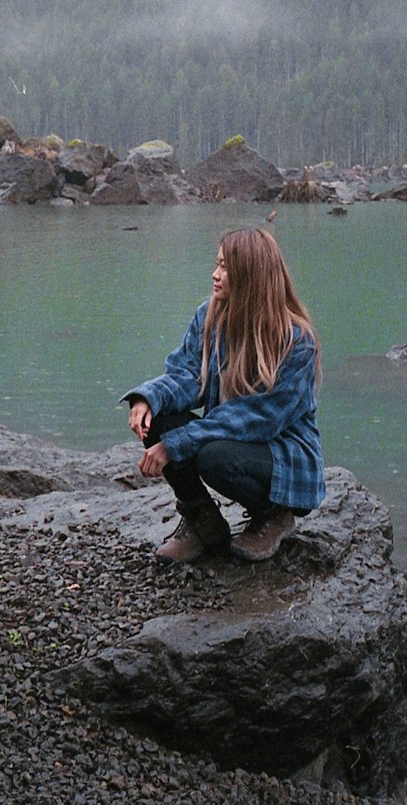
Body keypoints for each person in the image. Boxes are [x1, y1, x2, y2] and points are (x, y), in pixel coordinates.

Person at [122, 226, 325, 564]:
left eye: (226, 268)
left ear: (251, 275)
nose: (215, 275)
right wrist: (147, 398)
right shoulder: (211, 313)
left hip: (282, 455)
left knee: (214, 457)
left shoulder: (296, 340)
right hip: (230, 436)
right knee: (158, 419)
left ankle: (274, 514)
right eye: (217, 265)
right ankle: (204, 522)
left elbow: (258, 419)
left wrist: (177, 443)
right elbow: (187, 375)